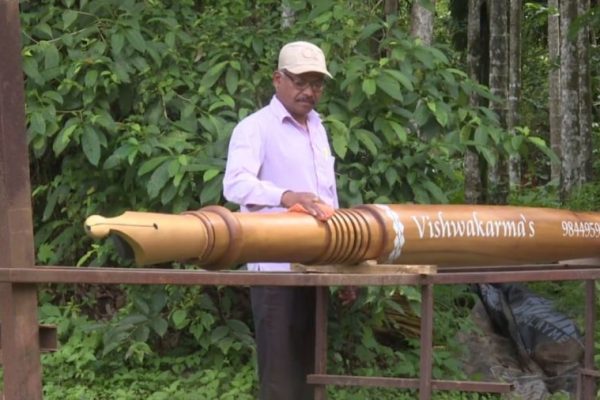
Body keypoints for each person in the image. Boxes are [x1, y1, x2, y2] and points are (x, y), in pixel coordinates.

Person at [222, 40, 338, 400]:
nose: (309, 92)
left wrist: (345, 261)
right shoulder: (255, 128)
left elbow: (328, 198)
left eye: (316, 83)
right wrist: (286, 196)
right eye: (300, 82)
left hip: (317, 266)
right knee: (279, 378)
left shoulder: (318, 128)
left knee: (312, 372)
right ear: (278, 79)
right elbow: (235, 184)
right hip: (275, 271)